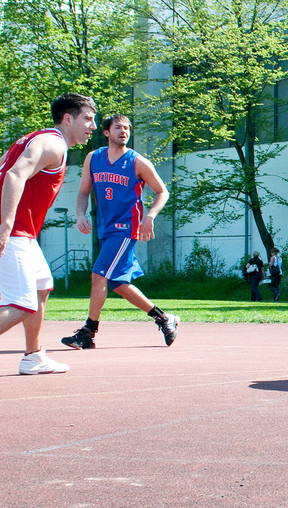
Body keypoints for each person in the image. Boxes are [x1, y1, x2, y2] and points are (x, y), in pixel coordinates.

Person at [60, 115, 179, 350]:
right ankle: (164, 318)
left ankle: (88, 331)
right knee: (119, 284)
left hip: (126, 229)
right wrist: (80, 214)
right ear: (106, 132)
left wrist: (150, 216)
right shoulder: (93, 158)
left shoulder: (138, 162)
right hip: (105, 229)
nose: (123, 132)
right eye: (118, 128)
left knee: (98, 275)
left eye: (127, 128)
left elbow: (162, 192)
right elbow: (83, 192)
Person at [0, 92, 97, 374]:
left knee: (42, 286)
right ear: (68, 119)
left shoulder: (33, 138)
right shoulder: (52, 143)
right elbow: (14, 175)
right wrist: (5, 225)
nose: (92, 126)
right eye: (87, 119)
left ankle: (34, 356)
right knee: (22, 305)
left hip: (25, 233)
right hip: (15, 231)